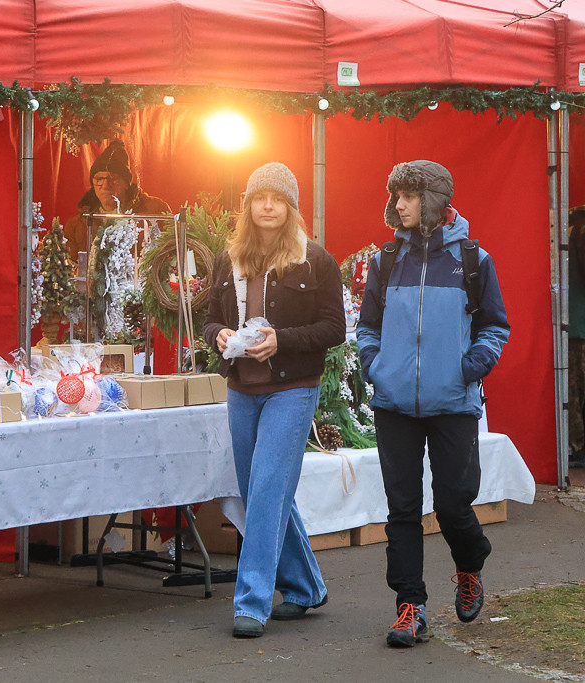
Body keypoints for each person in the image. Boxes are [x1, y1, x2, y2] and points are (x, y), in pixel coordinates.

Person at [356, 160, 509, 648]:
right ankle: (410, 606)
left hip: (454, 402)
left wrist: (471, 366)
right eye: (395, 195)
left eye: (408, 195)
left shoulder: (472, 259)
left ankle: (470, 563)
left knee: (452, 505)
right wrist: (376, 364)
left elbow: (495, 326)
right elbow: (367, 327)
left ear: (435, 200)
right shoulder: (384, 261)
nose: (398, 204)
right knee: (402, 508)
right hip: (394, 404)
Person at [203, 162, 345, 638]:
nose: (268, 206)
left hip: (292, 389)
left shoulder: (316, 261)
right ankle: (306, 587)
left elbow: (334, 329)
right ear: (248, 205)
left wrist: (280, 340)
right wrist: (218, 334)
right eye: (260, 198)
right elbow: (207, 319)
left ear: (290, 209)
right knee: (262, 491)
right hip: (241, 390)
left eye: (278, 199)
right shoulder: (229, 258)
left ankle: (251, 602)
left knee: (265, 490)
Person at [64, 139, 171, 259]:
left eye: (112, 178)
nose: (105, 186)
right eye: (99, 179)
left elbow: (172, 253)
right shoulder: (78, 224)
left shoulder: (155, 211)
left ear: (126, 183)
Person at [567, 206, 585, 468]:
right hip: (578, 326)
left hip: (574, 324)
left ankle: (578, 445)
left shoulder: (573, 226)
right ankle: (578, 446)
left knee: (573, 389)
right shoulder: (582, 229)